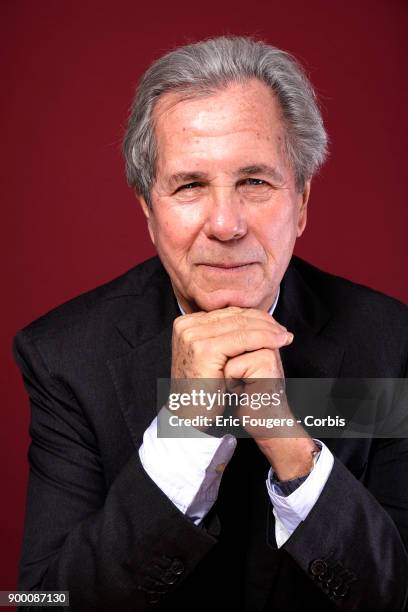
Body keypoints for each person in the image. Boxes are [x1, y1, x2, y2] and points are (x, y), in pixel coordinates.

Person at [13, 36, 408, 611]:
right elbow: (42, 600)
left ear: (301, 202)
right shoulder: (65, 357)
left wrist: (293, 449)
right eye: (190, 185)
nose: (226, 225)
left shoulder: (392, 344)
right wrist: (186, 430)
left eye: (254, 181)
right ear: (149, 212)